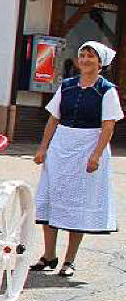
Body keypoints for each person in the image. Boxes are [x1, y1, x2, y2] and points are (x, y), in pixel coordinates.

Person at [32, 41, 122, 277]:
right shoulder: (68, 85)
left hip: (87, 146)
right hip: (62, 146)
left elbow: (108, 125)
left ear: (100, 63)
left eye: (90, 56)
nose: (85, 60)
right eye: (82, 55)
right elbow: (53, 119)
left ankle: (69, 260)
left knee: (77, 205)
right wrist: (43, 148)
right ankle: (49, 255)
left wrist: (96, 155)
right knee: (51, 198)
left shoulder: (106, 90)